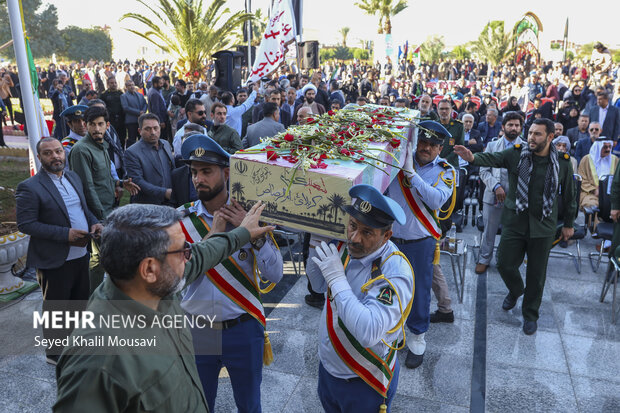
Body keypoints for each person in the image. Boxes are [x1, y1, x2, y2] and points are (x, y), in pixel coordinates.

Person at [53, 201, 274, 412]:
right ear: (149, 269)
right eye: (182, 250)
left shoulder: (154, 285)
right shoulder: (96, 362)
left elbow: (202, 254)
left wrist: (243, 232)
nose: (189, 256)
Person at [177, 134, 283, 413]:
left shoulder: (249, 218)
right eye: (194, 172)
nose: (199, 179)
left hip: (242, 328)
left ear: (226, 173)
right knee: (198, 404)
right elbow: (175, 279)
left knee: (250, 405)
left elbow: (276, 275)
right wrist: (213, 237)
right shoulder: (181, 221)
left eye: (207, 172)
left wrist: (251, 236)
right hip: (197, 329)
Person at [454, 118, 576, 334]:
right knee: (504, 263)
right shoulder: (516, 154)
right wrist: (473, 157)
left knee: (537, 275)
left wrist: (568, 224)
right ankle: (516, 289)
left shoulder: (563, 163)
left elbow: (570, 195)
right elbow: (494, 157)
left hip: (543, 226)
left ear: (550, 137)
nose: (531, 137)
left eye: (537, 134)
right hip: (515, 221)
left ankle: (530, 315)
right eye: (530, 133)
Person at [306, 184, 413, 413]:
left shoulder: (395, 271)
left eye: (367, 232)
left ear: (386, 236)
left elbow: (368, 331)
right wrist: (316, 240)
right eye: (352, 225)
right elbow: (317, 285)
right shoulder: (347, 247)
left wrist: (336, 276)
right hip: (329, 370)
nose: (354, 237)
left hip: (363, 380)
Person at [16, 138, 102, 365]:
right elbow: (26, 224)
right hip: (54, 259)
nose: (55, 157)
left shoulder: (73, 177)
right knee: (57, 307)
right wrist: (65, 235)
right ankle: (54, 355)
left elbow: (84, 209)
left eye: (58, 151)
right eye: (48, 153)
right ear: (39, 157)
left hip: (81, 253)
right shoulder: (30, 187)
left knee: (79, 302)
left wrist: (94, 223)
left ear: (64, 153)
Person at [387, 120, 455, 368]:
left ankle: (417, 335)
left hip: (420, 240)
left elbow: (437, 200)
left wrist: (410, 174)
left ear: (440, 149)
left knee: (419, 290)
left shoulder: (446, 171)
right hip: (391, 237)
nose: (426, 148)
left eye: (432, 145)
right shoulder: (399, 159)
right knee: (390, 287)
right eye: (423, 142)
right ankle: (392, 328)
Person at [69, 106, 139, 292]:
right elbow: (87, 187)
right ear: (86, 125)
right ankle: (94, 300)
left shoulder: (103, 145)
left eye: (101, 124)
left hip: (108, 210)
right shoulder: (81, 150)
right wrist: (101, 219)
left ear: (107, 125)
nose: (97, 129)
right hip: (96, 215)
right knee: (99, 260)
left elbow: (105, 177)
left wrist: (120, 183)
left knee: (104, 258)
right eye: (92, 124)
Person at [475, 111, 525, 274]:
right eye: (510, 124)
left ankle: (506, 262)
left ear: (520, 128)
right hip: (493, 196)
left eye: (517, 125)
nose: (513, 128)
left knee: (512, 233)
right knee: (489, 230)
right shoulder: (492, 146)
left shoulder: (525, 148)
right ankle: (484, 259)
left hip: (515, 199)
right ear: (503, 127)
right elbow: (483, 171)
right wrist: (495, 186)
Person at [124, 113, 175, 205]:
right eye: (148, 129)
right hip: (146, 205)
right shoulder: (131, 152)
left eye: (155, 128)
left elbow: (172, 170)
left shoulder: (166, 144)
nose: (153, 132)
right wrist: (164, 192)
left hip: (170, 203)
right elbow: (138, 181)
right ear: (139, 131)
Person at [577, 138, 618, 210]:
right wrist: (594, 189)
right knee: (592, 205)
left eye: (610, 147)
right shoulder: (586, 160)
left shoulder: (615, 160)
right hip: (590, 193)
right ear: (598, 147)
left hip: (612, 194)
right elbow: (582, 179)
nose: (608, 149)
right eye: (605, 147)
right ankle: (594, 221)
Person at [437, 99, 465, 169]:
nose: (444, 111)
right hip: (435, 163)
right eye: (441, 109)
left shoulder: (458, 126)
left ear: (451, 110)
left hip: (451, 164)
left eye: (447, 109)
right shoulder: (434, 125)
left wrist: (446, 159)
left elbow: (459, 147)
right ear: (437, 110)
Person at [100, 77, 126, 147]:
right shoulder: (104, 95)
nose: (114, 84)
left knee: (122, 138)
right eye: (111, 83)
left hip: (121, 120)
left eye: (115, 83)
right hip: (111, 120)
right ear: (108, 84)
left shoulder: (120, 93)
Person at [120, 79, 148, 147]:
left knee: (142, 138)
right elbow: (125, 108)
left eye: (133, 85)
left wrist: (143, 112)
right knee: (132, 140)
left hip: (140, 121)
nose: (132, 86)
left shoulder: (139, 95)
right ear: (126, 87)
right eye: (129, 85)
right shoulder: (124, 96)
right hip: (131, 121)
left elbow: (145, 104)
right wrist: (138, 112)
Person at [148, 76, 170, 142]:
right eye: (160, 83)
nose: (162, 85)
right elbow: (156, 109)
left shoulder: (156, 90)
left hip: (161, 117)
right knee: (162, 138)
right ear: (155, 84)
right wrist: (161, 121)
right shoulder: (154, 93)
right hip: (160, 119)